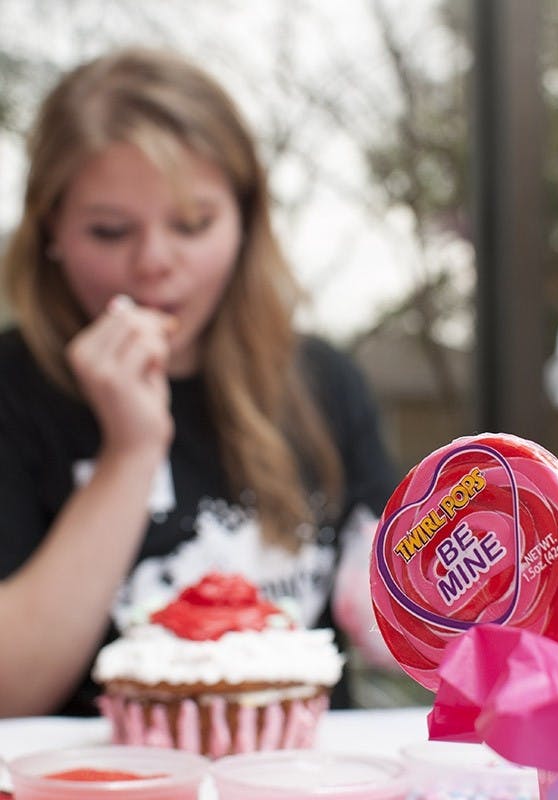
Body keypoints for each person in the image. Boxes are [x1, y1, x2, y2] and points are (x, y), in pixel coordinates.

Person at [0, 47, 397, 718]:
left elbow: (399, 618)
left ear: (245, 222)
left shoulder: (322, 383)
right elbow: (10, 691)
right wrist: (131, 451)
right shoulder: (15, 390)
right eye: (110, 230)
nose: (154, 262)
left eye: (193, 224)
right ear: (51, 233)